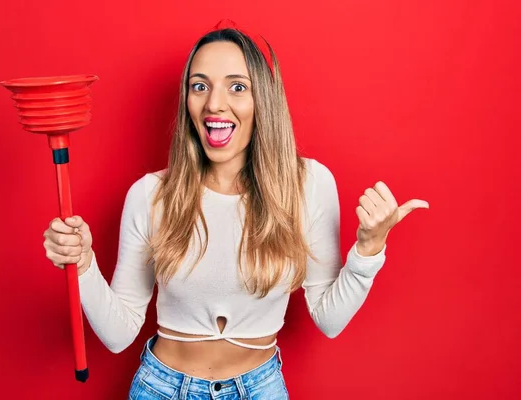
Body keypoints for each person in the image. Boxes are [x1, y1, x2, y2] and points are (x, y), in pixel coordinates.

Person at [42, 19, 429, 400]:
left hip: (259, 389)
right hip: (161, 388)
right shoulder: (151, 195)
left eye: (237, 87)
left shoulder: (308, 184)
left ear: (263, 100)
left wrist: (368, 250)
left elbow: (328, 320)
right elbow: (118, 334)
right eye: (200, 86)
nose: (214, 103)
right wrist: (85, 264)